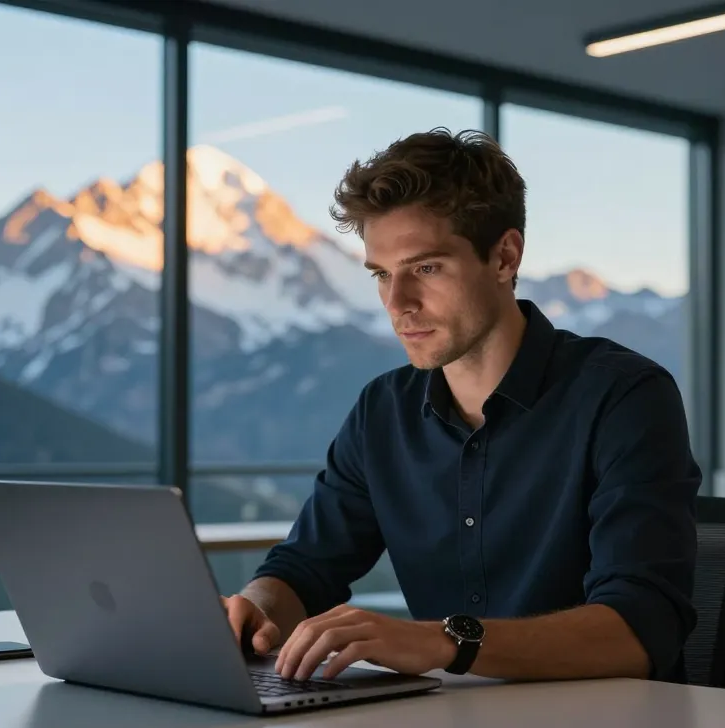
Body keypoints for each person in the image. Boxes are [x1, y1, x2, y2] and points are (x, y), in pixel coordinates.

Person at [222, 127, 700, 685]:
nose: (397, 304)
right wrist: (254, 608)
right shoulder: (383, 411)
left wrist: (443, 641)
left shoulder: (623, 396)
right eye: (381, 274)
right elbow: (303, 570)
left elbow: (641, 627)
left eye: (426, 268)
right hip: (448, 727)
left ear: (504, 257)